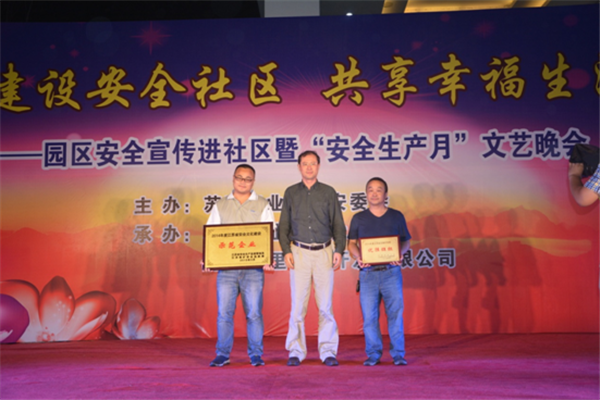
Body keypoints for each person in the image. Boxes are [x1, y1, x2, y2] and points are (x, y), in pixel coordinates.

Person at [278, 150, 346, 367]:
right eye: (305, 163)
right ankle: (296, 351)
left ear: (318, 166)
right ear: (299, 167)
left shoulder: (328, 192)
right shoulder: (291, 192)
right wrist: (286, 251)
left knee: (325, 306)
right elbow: (283, 225)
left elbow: (338, 224)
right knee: (298, 306)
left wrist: (339, 250)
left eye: (313, 163)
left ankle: (328, 351)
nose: (309, 167)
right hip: (299, 252)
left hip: (324, 252)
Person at [203, 164, 275, 367]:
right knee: (224, 314)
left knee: (254, 313)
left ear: (253, 181)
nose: (243, 182)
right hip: (227, 270)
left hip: (253, 270)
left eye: (248, 179)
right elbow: (212, 234)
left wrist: (267, 257)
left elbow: (268, 235)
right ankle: (222, 354)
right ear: (233, 179)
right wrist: (208, 258)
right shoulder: (220, 205)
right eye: (239, 178)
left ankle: (256, 354)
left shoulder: (262, 204)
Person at [347, 177, 411, 366]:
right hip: (368, 274)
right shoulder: (358, 218)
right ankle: (373, 354)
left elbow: (406, 241)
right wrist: (359, 256)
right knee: (369, 317)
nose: (374, 193)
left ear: (386, 194)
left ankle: (398, 354)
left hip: (391, 272)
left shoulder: (396, 216)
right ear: (366, 194)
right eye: (370, 190)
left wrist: (400, 253)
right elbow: (351, 244)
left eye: (379, 190)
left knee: (395, 315)